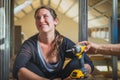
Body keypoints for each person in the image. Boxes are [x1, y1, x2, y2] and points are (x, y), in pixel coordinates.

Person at [12, 6, 94, 80]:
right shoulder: (30, 44)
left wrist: (77, 75)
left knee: (78, 61)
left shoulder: (63, 42)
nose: (41, 20)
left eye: (45, 16)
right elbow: (17, 69)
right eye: (38, 18)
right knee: (26, 66)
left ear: (55, 21)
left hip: (61, 78)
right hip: (38, 78)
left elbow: (89, 63)